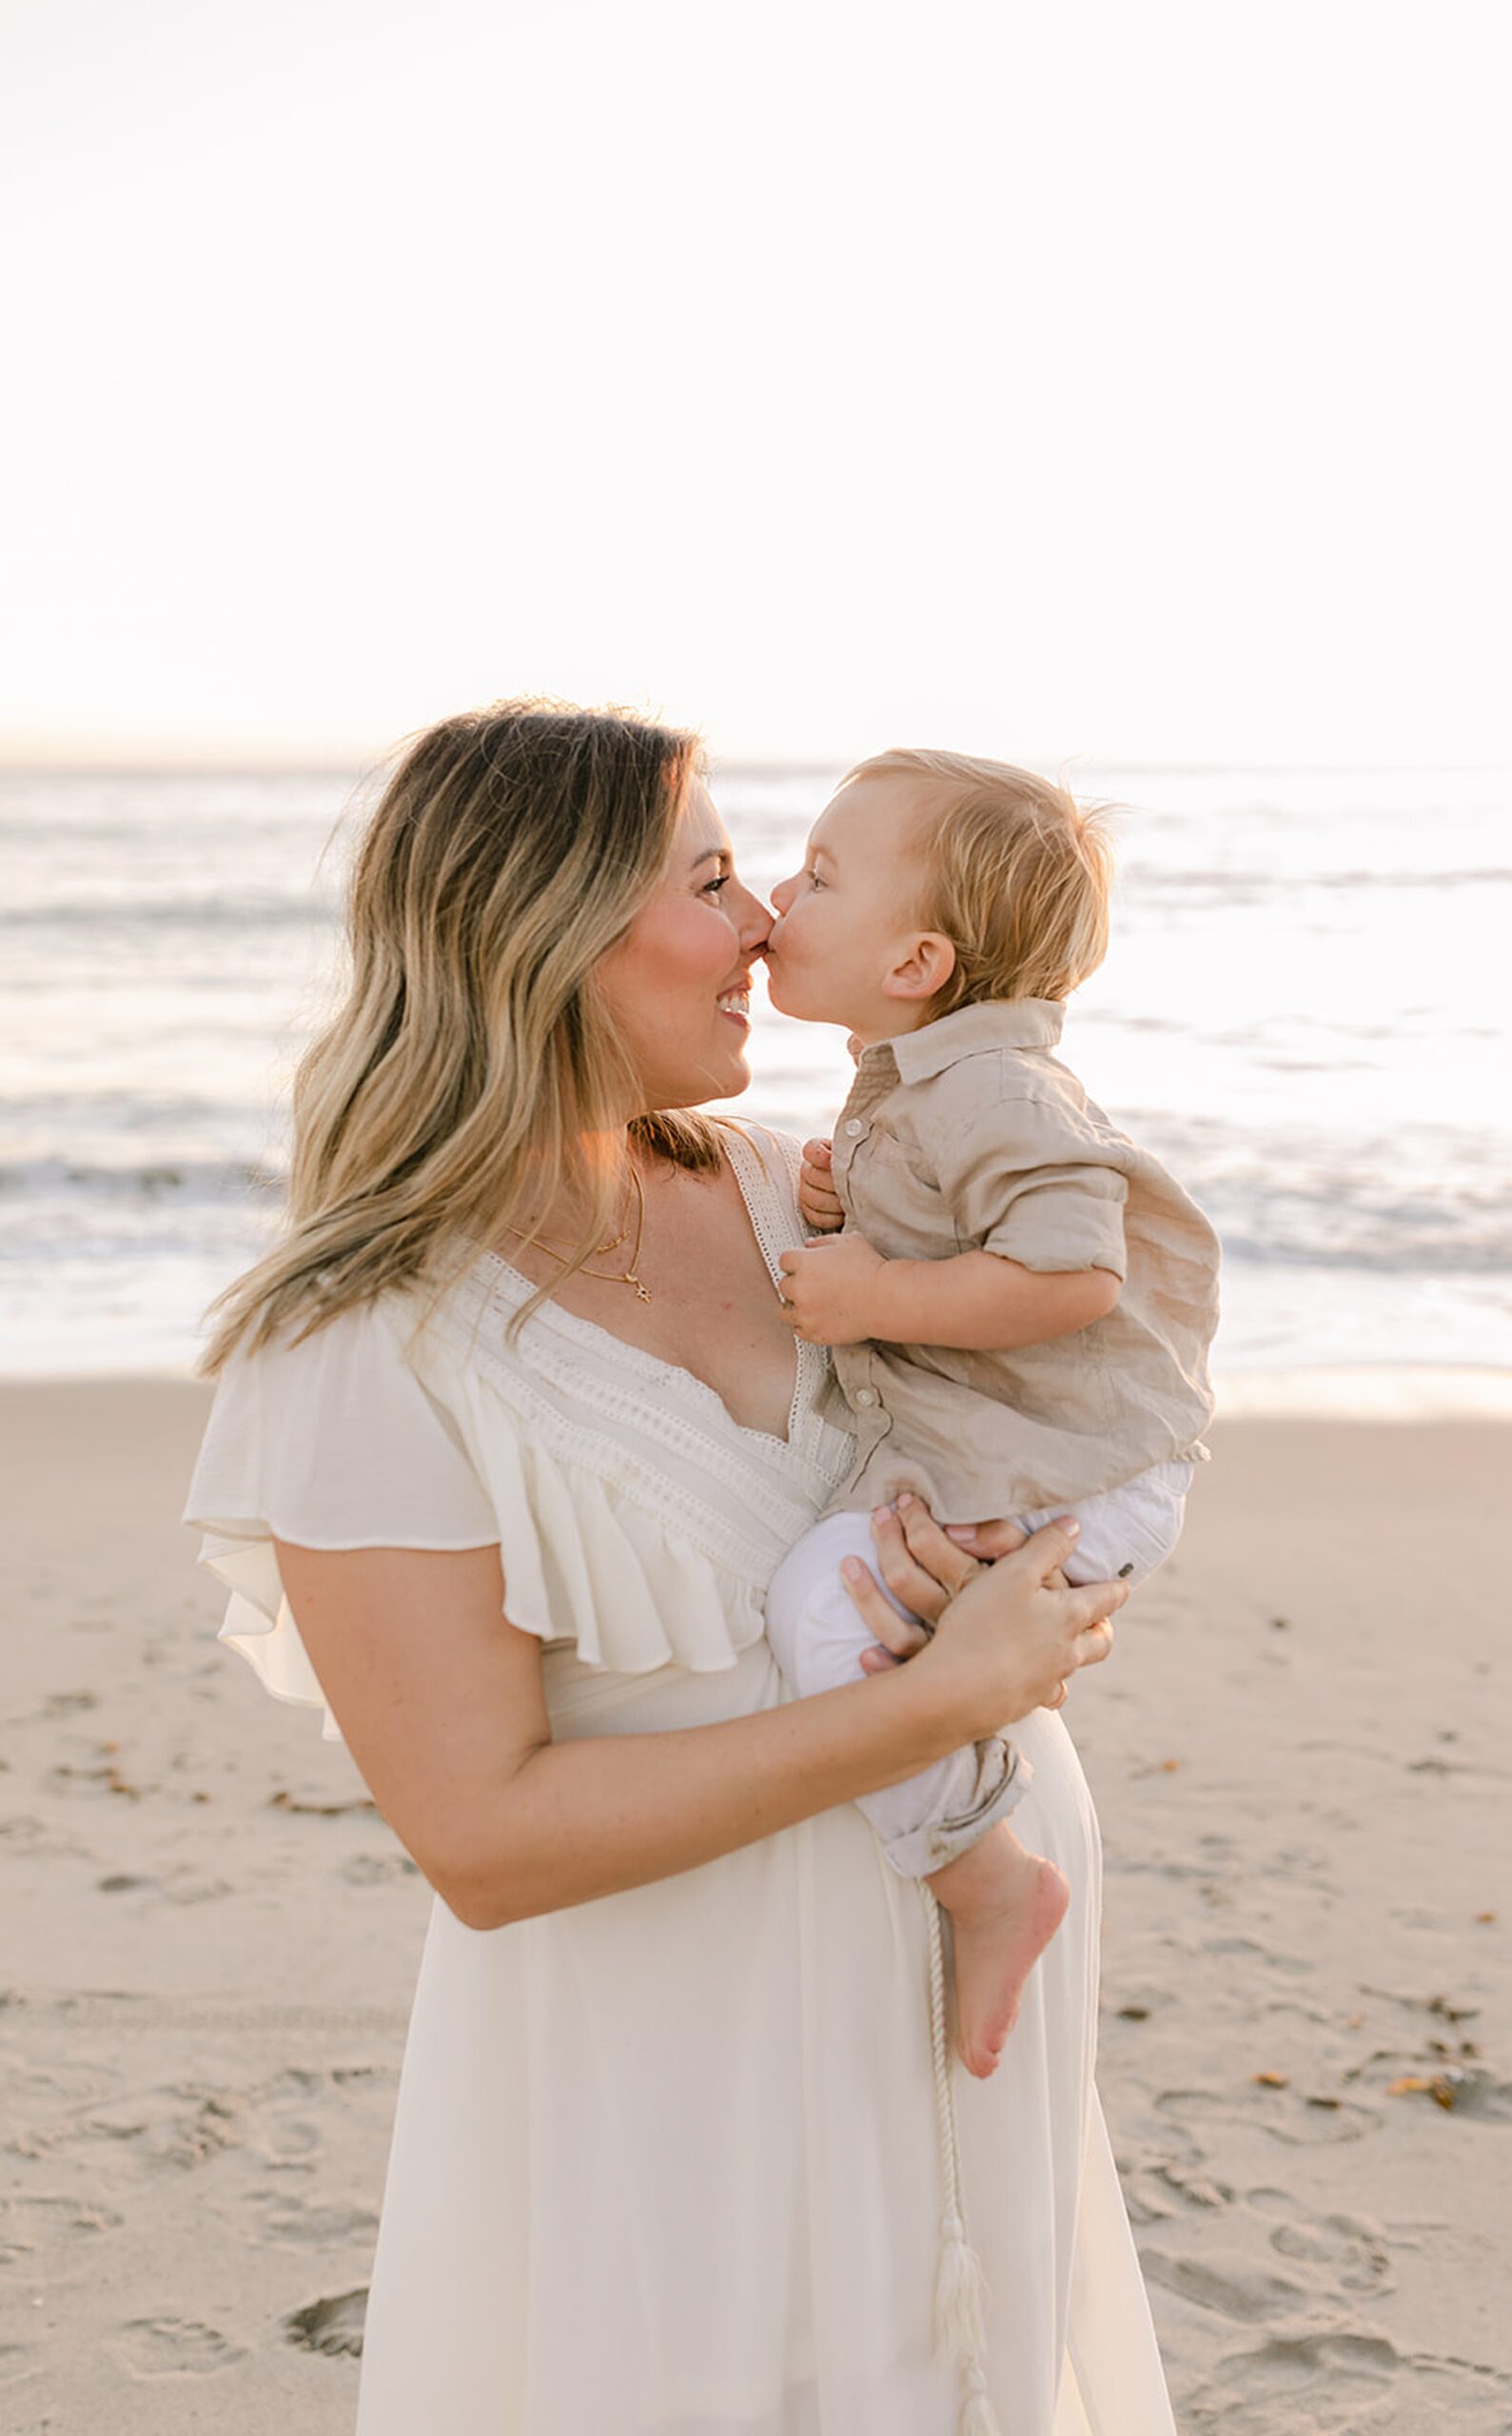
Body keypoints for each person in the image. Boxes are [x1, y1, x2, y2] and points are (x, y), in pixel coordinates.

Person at [182, 701, 1176, 2436]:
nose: (769, 929)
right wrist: (942, 1702)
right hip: (678, 2077)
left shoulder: (809, 1197)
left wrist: (1016, 1587)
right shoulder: (361, 1344)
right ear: (544, 933)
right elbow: (480, 1842)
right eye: (717, 880)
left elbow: (1080, 1401)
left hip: (961, 2039)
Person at [764, 748, 1220, 2092]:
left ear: (913, 963)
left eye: (820, 875)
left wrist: (879, 1287)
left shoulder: (994, 1090)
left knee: (822, 1604)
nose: (780, 895)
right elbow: (979, 1223)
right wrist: (861, 1211)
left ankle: (983, 1879)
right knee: (856, 1602)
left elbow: (1075, 1273)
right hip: (1061, 1456)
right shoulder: (919, 1083)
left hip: (1084, 1465)